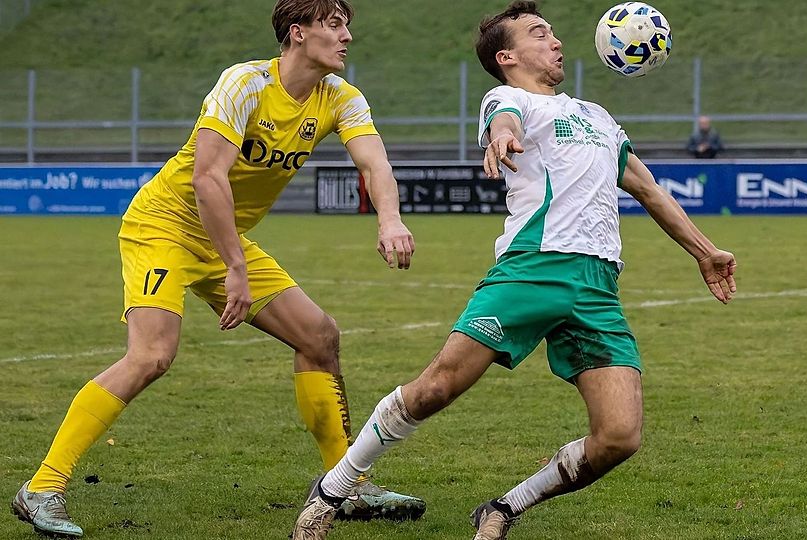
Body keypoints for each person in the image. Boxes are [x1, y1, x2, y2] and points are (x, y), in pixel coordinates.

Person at [290, 1, 737, 539]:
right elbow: (503, 120)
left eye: (553, 33)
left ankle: (503, 508)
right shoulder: (509, 98)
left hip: (598, 287)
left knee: (620, 437)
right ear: (507, 57)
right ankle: (332, 491)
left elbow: (647, 189)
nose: (556, 41)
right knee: (436, 388)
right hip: (532, 270)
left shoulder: (599, 117)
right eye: (539, 33)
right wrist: (502, 134)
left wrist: (704, 251)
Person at [10, 0, 426, 537]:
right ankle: (42, 486)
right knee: (152, 355)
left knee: (319, 337)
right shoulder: (244, 84)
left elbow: (376, 163)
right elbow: (207, 177)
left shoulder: (340, 97)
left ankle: (345, 485)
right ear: (297, 33)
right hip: (165, 224)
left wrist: (389, 219)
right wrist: (235, 266)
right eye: (333, 24)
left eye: (348, 25)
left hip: (224, 236)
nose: (347, 36)